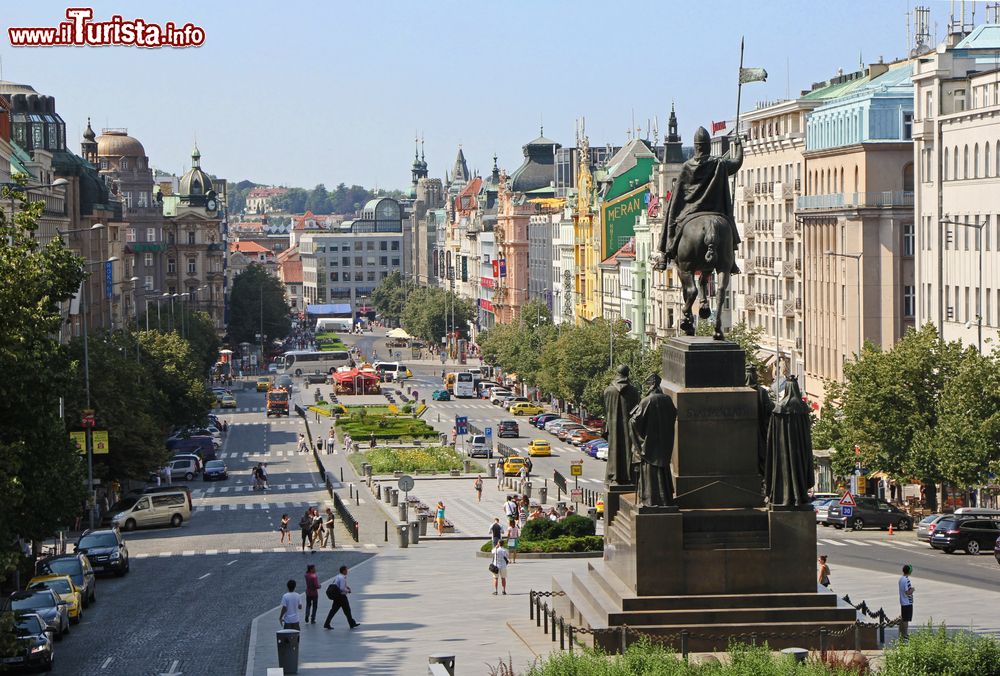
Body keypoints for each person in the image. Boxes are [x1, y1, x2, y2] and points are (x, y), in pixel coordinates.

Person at [323, 565, 360, 629]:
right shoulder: (342, 578)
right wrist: (348, 590)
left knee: (333, 610)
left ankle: (326, 623)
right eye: (346, 570)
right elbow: (342, 588)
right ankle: (351, 624)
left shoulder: (338, 576)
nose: (347, 571)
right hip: (341, 597)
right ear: (343, 571)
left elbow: (337, 585)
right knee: (347, 610)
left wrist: (346, 587)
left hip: (337, 596)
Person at [898, 564, 914, 640]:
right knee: (906, 620)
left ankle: (902, 633)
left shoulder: (901, 579)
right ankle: (905, 634)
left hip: (903, 601)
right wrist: (912, 590)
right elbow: (907, 592)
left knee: (904, 618)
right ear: (909, 571)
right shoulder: (906, 580)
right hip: (907, 602)